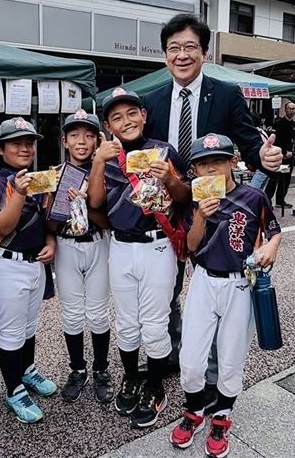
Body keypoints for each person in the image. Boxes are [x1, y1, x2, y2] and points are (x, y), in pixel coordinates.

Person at [142, 13, 282, 397]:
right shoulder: (151, 101)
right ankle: (173, 351)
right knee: (166, 285)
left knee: (218, 282)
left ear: (204, 52)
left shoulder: (224, 94)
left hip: (216, 208)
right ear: (165, 55)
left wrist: (264, 157)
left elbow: (248, 141)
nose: (182, 55)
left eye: (190, 47)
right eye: (174, 48)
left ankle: (215, 372)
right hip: (168, 205)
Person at [169, 133, 281, 457]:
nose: (210, 169)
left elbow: (273, 232)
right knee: (191, 362)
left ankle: (222, 416)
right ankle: (194, 411)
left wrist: (272, 246)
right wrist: (202, 215)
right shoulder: (194, 198)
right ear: (194, 170)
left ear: (233, 162)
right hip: (204, 280)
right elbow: (190, 246)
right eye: (202, 164)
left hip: (240, 284)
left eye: (217, 161)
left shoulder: (254, 197)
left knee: (231, 359)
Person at [88, 88, 191, 429]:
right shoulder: (107, 155)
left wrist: (170, 178)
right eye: (117, 117)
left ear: (144, 115)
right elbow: (96, 203)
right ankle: (132, 377)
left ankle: (155, 386)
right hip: (119, 247)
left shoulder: (163, 150)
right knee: (127, 323)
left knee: (155, 324)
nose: (126, 121)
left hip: (158, 246)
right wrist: (100, 160)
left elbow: (183, 198)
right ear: (108, 125)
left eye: (132, 113)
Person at [0, 117, 58, 423]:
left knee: (28, 328)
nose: (25, 148)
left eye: (29, 142)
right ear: (1, 149)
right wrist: (20, 193)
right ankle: (14, 390)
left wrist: (51, 241)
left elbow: (46, 220)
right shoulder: (0, 180)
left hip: (34, 265)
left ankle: (26, 372)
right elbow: (0, 226)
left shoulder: (37, 177)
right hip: (7, 263)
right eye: (16, 143)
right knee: (12, 333)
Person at [52, 110, 114, 404]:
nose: (82, 141)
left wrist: (86, 204)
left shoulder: (106, 170)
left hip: (98, 243)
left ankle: (101, 369)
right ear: (65, 141)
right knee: (72, 313)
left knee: (99, 312)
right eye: (75, 135)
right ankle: (77, 369)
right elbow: (49, 224)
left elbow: (109, 222)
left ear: (97, 139)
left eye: (89, 135)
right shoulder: (54, 174)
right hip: (66, 246)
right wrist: (58, 203)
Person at [265, 101, 295, 208]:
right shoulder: (278, 124)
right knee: (274, 179)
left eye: (293, 109)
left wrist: (293, 152)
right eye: (289, 108)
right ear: (285, 110)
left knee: (286, 179)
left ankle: (280, 200)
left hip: (290, 156)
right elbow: (275, 141)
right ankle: (267, 200)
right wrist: (284, 152)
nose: (291, 111)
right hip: (278, 155)